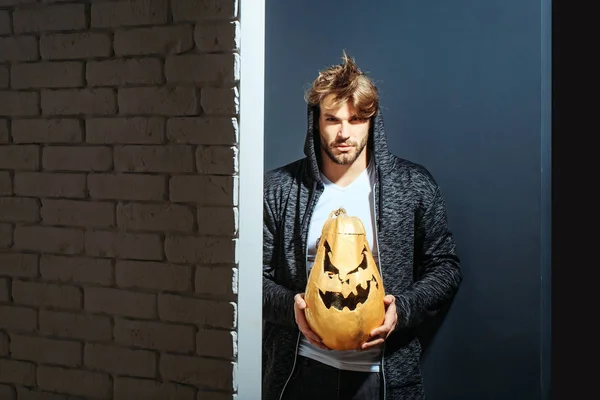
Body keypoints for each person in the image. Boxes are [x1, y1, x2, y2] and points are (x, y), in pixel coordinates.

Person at [262, 51, 462, 400]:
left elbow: (445, 268)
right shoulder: (279, 189)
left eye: (356, 119)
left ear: (372, 122)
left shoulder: (412, 185)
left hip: (382, 378)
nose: (344, 132)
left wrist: (403, 308)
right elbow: (250, 279)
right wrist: (290, 309)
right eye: (332, 119)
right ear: (316, 122)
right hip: (301, 373)